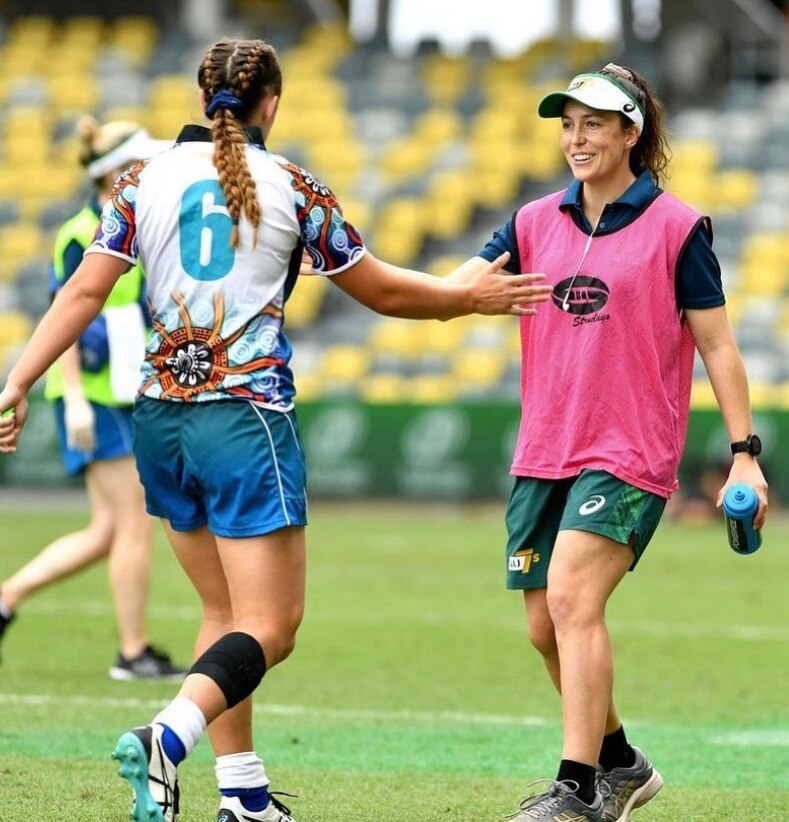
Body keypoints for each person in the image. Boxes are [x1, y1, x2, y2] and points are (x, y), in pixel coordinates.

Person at [0, 38, 551, 822]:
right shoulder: (291, 184)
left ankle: (245, 796)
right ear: (272, 106)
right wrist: (469, 299)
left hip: (160, 422)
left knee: (223, 616)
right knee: (272, 625)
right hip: (242, 420)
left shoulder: (139, 183)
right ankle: (168, 733)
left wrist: (18, 380)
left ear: (200, 102)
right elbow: (386, 293)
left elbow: (84, 293)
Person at [444, 63, 768, 821]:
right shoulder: (529, 222)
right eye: (566, 124)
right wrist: (415, 289)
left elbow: (718, 346)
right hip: (543, 446)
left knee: (570, 597)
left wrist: (743, 450)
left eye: (593, 123)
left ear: (630, 132)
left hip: (628, 450)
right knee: (541, 624)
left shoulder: (677, 227)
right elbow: (459, 285)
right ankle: (621, 760)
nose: (575, 138)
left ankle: (578, 788)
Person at [0, 116, 185, 682]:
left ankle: (5, 598)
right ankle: (132, 654)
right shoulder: (83, 232)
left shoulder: (131, 225)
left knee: (108, 531)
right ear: (116, 172)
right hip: (98, 397)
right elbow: (69, 315)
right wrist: (76, 399)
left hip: (122, 392)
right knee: (133, 524)